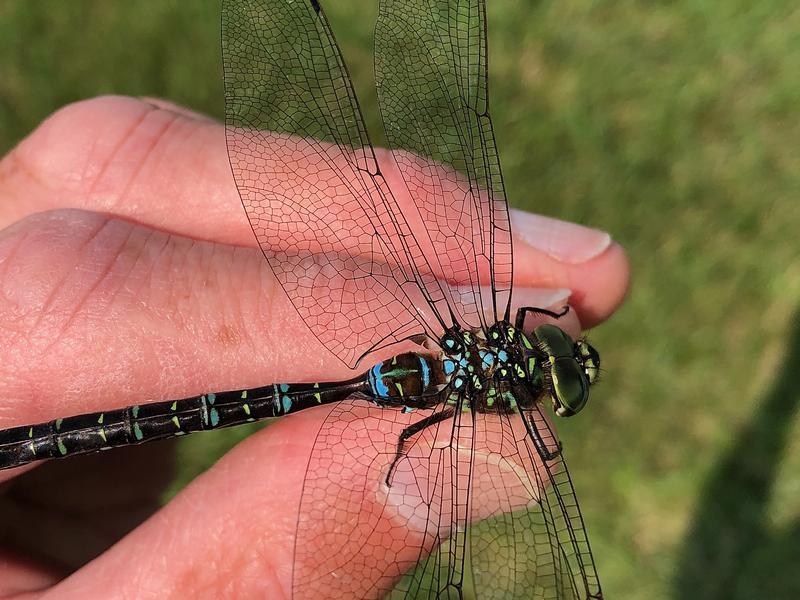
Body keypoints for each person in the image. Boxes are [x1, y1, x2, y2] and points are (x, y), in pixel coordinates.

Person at [0, 96, 629, 598]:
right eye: (555, 358)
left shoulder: (498, 331)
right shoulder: (508, 383)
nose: (554, 355)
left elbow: (523, 312)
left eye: (559, 371)